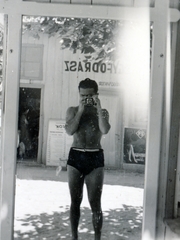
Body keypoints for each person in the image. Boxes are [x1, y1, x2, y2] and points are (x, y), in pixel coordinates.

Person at [65, 78, 111, 240]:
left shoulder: (102, 112)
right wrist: (80, 111)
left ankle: (97, 237)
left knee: (95, 203)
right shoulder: (72, 111)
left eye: (90, 95)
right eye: (83, 95)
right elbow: (70, 131)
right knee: (75, 201)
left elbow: (104, 129)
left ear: (96, 95)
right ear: (79, 94)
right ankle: (74, 237)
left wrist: (98, 109)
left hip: (95, 156)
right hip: (76, 156)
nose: (86, 99)